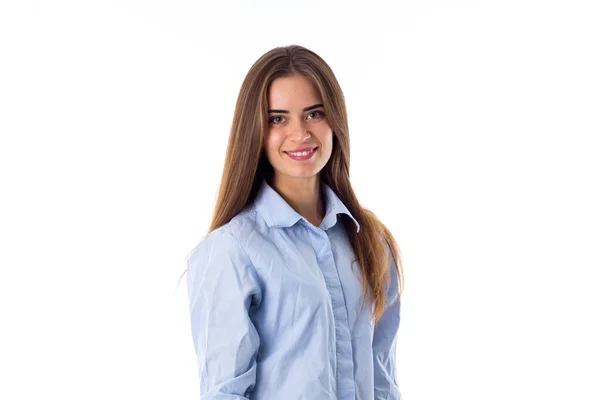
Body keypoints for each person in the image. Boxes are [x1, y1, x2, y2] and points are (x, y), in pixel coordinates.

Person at [184, 44, 404, 400]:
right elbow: (224, 392)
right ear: (254, 131)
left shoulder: (371, 241)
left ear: (335, 119)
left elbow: (383, 382)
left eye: (314, 114)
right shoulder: (232, 250)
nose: (300, 133)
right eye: (278, 118)